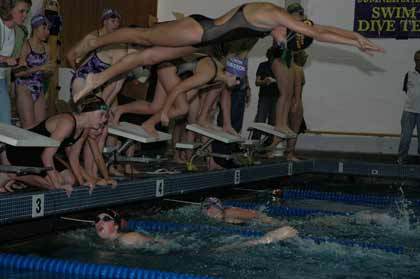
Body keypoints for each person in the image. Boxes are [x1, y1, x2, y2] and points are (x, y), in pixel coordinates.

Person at [67, 2, 383, 102]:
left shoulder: (278, 25)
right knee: (144, 37)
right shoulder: (275, 15)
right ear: (292, 29)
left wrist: (352, 38)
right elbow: (318, 32)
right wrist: (355, 38)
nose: (276, 42)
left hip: (204, 41)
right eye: (281, 42)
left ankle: (95, 80)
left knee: (149, 57)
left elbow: (316, 29)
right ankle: (91, 43)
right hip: (198, 29)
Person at [1, 95, 109, 195]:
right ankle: (12, 174)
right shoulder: (67, 122)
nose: (104, 119)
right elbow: (46, 156)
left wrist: (82, 183)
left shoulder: (84, 129)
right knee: (54, 184)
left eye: (105, 116)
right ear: (88, 112)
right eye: (101, 114)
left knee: (70, 180)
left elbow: (73, 158)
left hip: (41, 153)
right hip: (23, 151)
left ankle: (21, 176)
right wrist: (58, 186)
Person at [95, 209, 297, 249]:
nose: (99, 222)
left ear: (115, 224)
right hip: (173, 248)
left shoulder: (126, 239)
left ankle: (266, 239)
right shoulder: (118, 240)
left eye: (105, 219)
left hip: (176, 251)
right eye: (96, 220)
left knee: (218, 250)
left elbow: (156, 243)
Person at [15, 15, 55, 128]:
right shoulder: (25, 46)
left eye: (48, 29)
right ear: (35, 28)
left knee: (40, 129)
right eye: (44, 28)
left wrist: (48, 71)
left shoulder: (47, 48)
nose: (47, 32)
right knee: (29, 128)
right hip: (24, 88)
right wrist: (40, 68)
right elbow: (18, 73)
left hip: (39, 89)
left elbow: (45, 73)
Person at [0, 0, 31, 125]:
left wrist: (21, 65)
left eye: (27, 12)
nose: (24, 15)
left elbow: (15, 60)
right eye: (21, 11)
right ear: (9, 9)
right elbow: (7, 60)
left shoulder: (19, 32)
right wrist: (5, 59)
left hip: (1, 80)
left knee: (6, 124)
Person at [397, 50, 420, 165]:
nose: (419, 62)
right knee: (405, 138)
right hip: (409, 111)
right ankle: (401, 159)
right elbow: (407, 90)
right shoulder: (409, 74)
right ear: (414, 60)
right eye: (417, 60)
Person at [252, 47, 279, 143]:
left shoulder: (281, 67)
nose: (272, 59)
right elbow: (257, 82)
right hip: (264, 96)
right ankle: (254, 143)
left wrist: (275, 81)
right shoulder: (263, 65)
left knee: (273, 122)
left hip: (277, 97)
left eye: (274, 57)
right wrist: (264, 81)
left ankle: (268, 144)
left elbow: (285, 84)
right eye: (271, 57)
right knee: (260, 120)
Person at [286, 50, 308, 161]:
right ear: (299, 57)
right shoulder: (298, 69)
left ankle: (288, 152)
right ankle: (289, 154)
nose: (306, 58)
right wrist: (297, 103)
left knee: (287, 129)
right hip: (295, 102)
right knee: (294, 130)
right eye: (305, 56)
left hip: (285, 103)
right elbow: (297, 88)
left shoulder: (288, 68)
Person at [201, 197, 284, 225]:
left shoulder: (229, 212)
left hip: (260, 220)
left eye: (208, 207)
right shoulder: (218, 216)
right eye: (205, 208)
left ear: (217, 207)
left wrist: (272, 222)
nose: (207, 211)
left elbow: (256, 215)